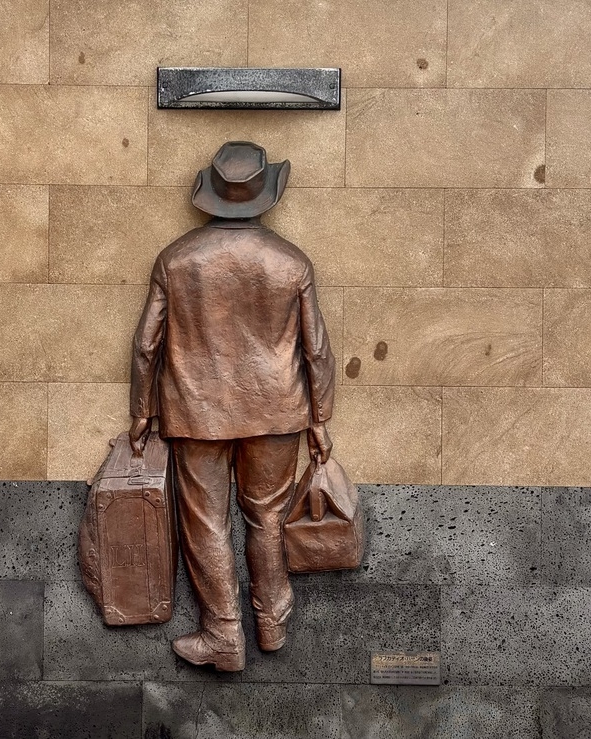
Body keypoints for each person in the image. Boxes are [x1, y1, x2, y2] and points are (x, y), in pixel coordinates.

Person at [128, 141, 336, 672]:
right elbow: (316, 348)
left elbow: (147, 344)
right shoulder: (291, 262)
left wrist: (142, 410)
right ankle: (272, 622)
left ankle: (223, 634)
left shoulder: (176, 259)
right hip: (277, 410)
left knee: (206, 522)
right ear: (265, 194)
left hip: (196, 412)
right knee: (267, 515)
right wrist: (320, 417)